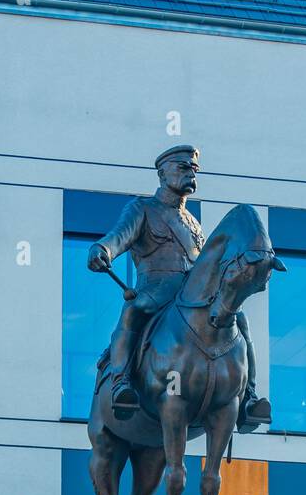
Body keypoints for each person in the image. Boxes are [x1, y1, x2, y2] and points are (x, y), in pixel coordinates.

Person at [88, 144, 272, 430]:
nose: (191, 175)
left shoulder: (194, 223)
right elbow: (118, 237)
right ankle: (121, 382)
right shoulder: (143, 209)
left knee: (240, 321)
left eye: (194, 170)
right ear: (163, 173)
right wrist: (103, 249)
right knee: (133, 311)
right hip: (156, 287)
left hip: (193, 293)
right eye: (184, 168)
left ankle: (248, 396)